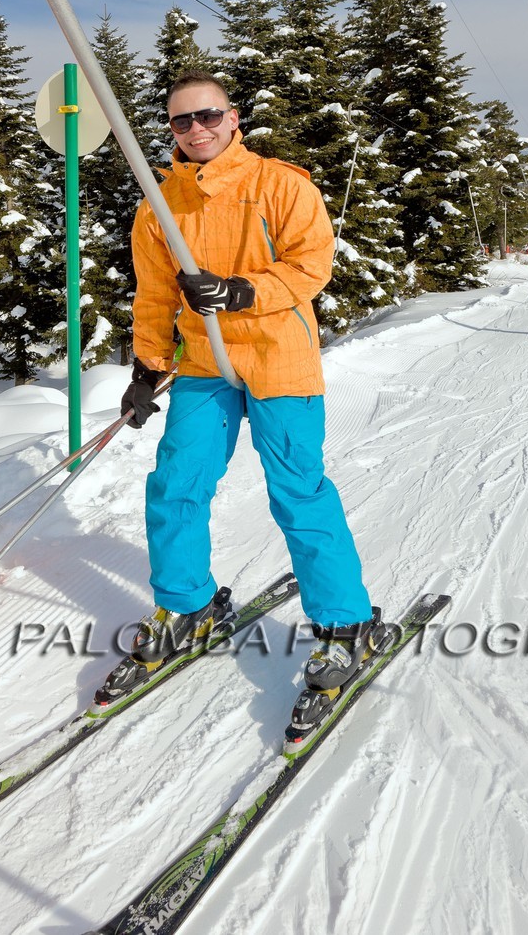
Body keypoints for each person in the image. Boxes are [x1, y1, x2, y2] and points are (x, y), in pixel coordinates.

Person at [109, 71, 388, 710]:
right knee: (177, 481)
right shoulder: (159, 205)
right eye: (182, 120)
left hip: (277, 355)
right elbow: (154, 292)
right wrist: (147, 367)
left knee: (297, 488)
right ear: (171, 129)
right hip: (205, 362)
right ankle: (187, 604)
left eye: (208, 115)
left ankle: (345, 623)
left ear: (233, 118)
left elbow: (311, 264)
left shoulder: (279, 184)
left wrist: (240, 291)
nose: (197, 129)